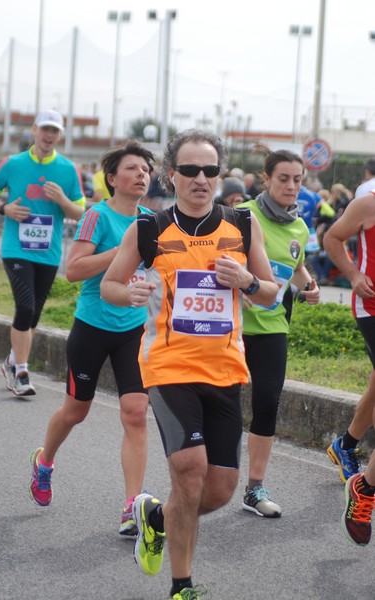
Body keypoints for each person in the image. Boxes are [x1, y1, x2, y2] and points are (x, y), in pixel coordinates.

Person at [101, 129, 278, 599]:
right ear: (171, 174)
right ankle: (183, 586)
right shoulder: (149, 229)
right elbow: (110, 286)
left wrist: (245, 280)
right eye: (191, 170)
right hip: (167, 368)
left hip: (224, 370)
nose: (202, 179)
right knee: (191, 470)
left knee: (218, 489)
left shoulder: (242, 226)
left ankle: (155, 517)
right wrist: (130, 291)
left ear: (220, 175)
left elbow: (269, 293)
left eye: (211, 170)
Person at [28, 140, 155, 538]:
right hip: (92, 328)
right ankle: (44, 462)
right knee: (76, 411)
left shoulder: (152, 220)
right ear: (112, 178)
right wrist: (122, 251)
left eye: (146, 170)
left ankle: (132, 507)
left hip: (135, 329)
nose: (141, 175)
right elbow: (74, 268)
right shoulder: (96, 216)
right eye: (132, 169)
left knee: (135, 413)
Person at [238, 145, 320, 518]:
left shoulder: (300, 226)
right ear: (266, 178)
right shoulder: (242, 215)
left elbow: (296, 265)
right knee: (219, 404)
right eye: (283, 179)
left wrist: (309, 286)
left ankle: (254, 488)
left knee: (268, 402)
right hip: (233, 326)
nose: (291, 187)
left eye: (297, 180)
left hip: (272, 325)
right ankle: (205, 475)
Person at [0, 109, 85, 396]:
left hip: (48, 253)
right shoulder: (13, 163)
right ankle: (22, 372)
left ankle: (12, 362)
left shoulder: (67, 169)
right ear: (35, 129)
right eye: (45, 129)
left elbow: (80, 209)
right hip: (16, 249)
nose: (49, 135)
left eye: (55, 131)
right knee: (24, 307)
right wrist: (4, 208)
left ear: (59, 135)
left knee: (34, 315)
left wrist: (62, 199)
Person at [323, 192, 375, 546]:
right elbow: (331, 237)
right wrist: (355, 275)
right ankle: (366, 487)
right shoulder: (368, 204)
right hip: (372, 305)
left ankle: (347, 445)